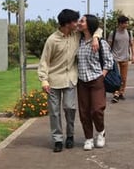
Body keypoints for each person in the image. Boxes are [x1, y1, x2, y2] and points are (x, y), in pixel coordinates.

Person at [37, 9, 101, 152]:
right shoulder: (52, 40)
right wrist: (44, 80)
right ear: (67, 23)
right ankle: (58, 139)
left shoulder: (76, 35)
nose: (78, 23)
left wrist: (96, 37)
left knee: (69, 109)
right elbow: (44, 61)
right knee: (54, 112)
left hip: (71, 79)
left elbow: (96, 28)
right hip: (53, 80)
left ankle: (70, 136)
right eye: (75, 21)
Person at [77, 15, 114, 151]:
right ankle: (88, 138)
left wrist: (102, 75)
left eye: (82, 21)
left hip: (96, 79)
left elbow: (109, 61)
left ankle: (101, 131)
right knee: (84, 111)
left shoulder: (101, 42)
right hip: (81, 81)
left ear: (89, 24)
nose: (79, 23)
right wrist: (94, 36)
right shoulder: (78, 40)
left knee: (97, 109)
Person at [108, 15, 134, 103]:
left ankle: (121, 93)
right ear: (120, 23)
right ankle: (116, 93)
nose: (127, 25)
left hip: (125, 58)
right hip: (114, 58)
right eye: (125, 23)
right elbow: (109, 45)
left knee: (123, 78)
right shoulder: (113, 33)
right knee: (116, 78)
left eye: (127, 23)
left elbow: (132, 44)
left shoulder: (129, 32)